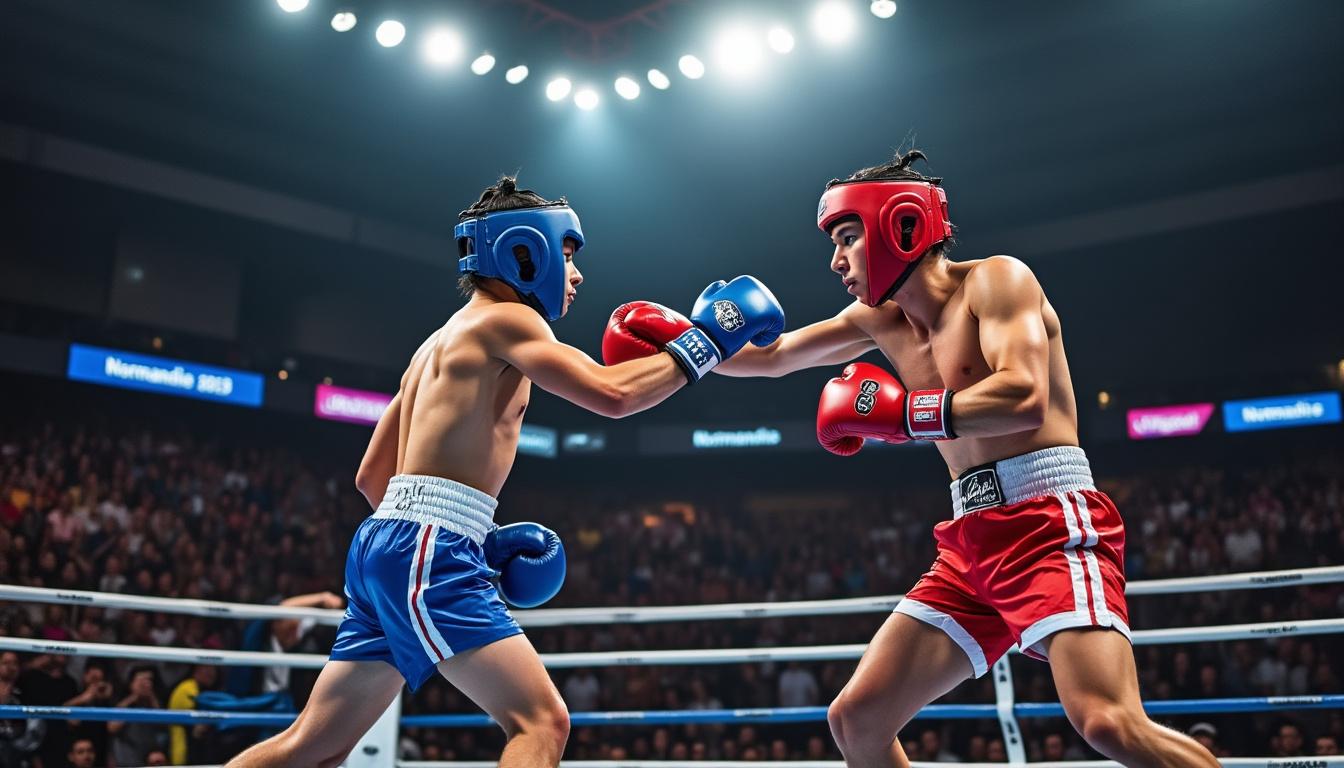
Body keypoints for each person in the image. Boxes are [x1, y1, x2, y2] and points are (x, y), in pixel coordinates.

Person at [225, 176, 783, 768]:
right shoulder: (508, 322)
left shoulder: (435, 343)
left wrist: (467, 536)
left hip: (386, 545)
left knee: (314, 746)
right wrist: (709, 342)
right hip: (425, 545)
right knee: (540, 724)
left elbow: (372, 477)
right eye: (567, 254)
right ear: (525, 250)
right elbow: (612, 395)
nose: (577, 274)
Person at [685, 149, 1217, 766]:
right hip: (970, 541)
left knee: (1107, 722)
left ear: (899, 226)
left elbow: (1023, 395)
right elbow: (773, 357)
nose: (836, 261)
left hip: (1047, 518)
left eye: (848, 238)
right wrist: (680, 340)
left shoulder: (996, 282)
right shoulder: (877, 319)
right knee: (858, 721)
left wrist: (904, 416)